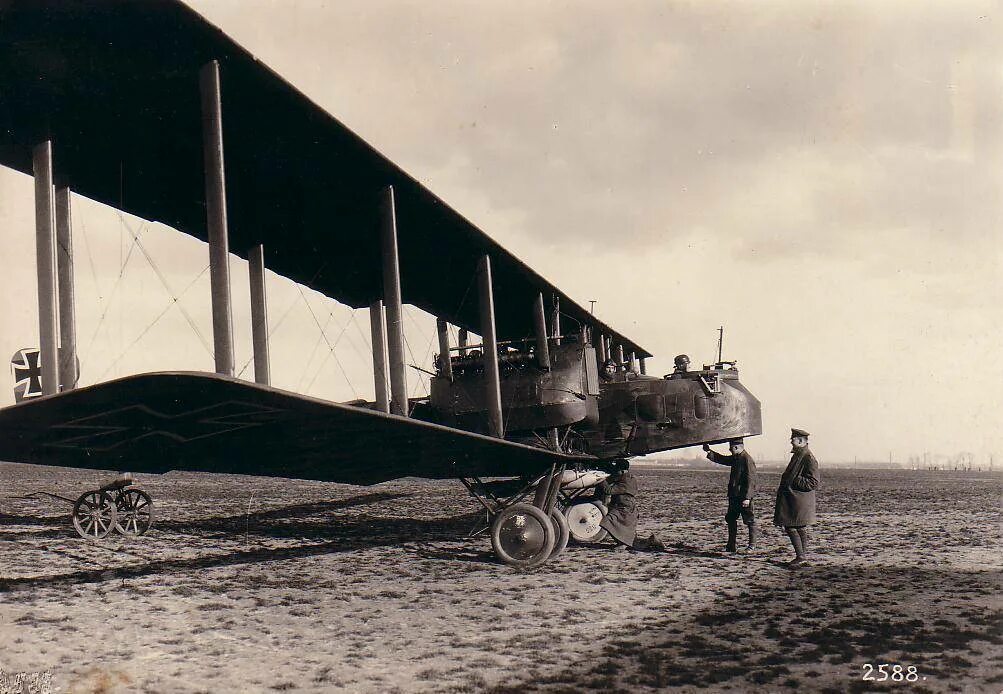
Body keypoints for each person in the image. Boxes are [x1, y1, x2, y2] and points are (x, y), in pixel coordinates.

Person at [774, 428, 820, 567]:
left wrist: (794, 480)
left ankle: (801, 557)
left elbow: (813, 482)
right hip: (795, 500)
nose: (791, 442)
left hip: (798, 500)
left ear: (800, 441)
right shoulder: (799, 454)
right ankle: (802, 557)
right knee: (798, 527)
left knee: (791, 527)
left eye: (793, 439)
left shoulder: (808, 457)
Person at [703, 438, 757, 552]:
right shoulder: (737, 458)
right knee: (731, 519)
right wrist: (709, 452)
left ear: (737, 447)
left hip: (743, 497)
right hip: (734, 496)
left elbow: (751, 480)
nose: (729, 449)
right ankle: (731, 545)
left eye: (731, 447)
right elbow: (723, 459)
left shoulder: (746, 459)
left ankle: (752, 546)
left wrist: (747, 498)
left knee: (749, 520)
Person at [597, 461, 664, 551]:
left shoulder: (625, 481)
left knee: (608, 521)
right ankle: (628, 543)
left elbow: (608, 490)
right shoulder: (628, 477)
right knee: (623, 530)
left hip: (624, 508)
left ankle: (624, 544)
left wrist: (601, 479)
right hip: (626, 507)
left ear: (621, 471)